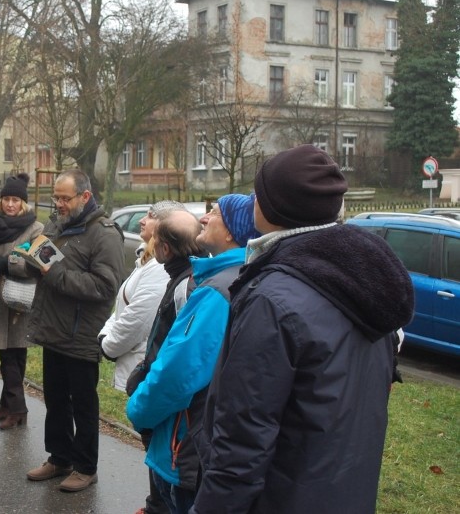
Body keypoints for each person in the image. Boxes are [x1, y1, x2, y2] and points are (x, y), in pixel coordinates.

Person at [191, 145, 415, 514]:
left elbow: (243, 440)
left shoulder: (272, 300)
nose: (252, 202)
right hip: (345, 492)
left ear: (276, 207)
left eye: (258, 194)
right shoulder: (364, 279)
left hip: (282, 498)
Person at [127, 194, 258, 514]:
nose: (203, 218)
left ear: (230, 233)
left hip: (186, 444)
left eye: (213, 213)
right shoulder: (238, 276)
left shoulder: (217, 289)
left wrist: (138, 407)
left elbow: (178, 374)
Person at [25, 169, 124, 493]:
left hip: (81, 335)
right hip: (54, 329)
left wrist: (52, 273)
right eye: (56, 197)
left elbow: (105, 286)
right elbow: (42, 252)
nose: (59, 204)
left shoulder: (104, 233)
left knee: (82, 404)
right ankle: (59, 458)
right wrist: (30, 256)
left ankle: (85, 467)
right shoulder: (57, 223)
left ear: (85, 196)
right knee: (55, 399)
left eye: (64, 198)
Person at [123, 206, 203, 514]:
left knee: (167, 476)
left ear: (165, 248)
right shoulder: (182, 275)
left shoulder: (187, 286)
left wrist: (144, 398)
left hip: (170, 410)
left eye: (154, 238)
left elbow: (179, 360)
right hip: (160, 398)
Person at [0, 173, 44, 430]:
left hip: (20, 302)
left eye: (15, 200)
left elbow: (41, 263)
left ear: (23, 203)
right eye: (6, 199)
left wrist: (10, 263)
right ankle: (9, 405)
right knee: (7, 355)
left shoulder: (36, 229)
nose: (10, 204)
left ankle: (17, 408)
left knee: (15, 355)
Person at [99, 200, 183, 392]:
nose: (141, 221)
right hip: (136, 360)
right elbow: (124, 305)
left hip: (144, 366)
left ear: (167, 226)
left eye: (151, 216)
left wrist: (108, 345)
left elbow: (138, 318)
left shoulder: (160, 268)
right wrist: (106, 333)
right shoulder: (147, 259)